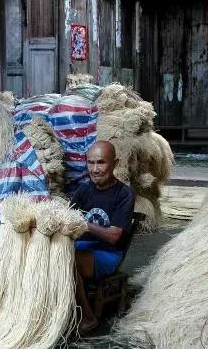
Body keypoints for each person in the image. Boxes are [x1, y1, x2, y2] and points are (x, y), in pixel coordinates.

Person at [70, 141, 135, 334]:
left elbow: (114, 237)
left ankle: (88, 317)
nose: (95, 169)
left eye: (101, 162)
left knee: (66, 262)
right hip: (83, 246)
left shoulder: (124, 194)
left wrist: (82, 223)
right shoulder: (84, 190)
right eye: (91, 163)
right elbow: (68, 216)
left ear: (114, 164)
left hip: (107, 254)